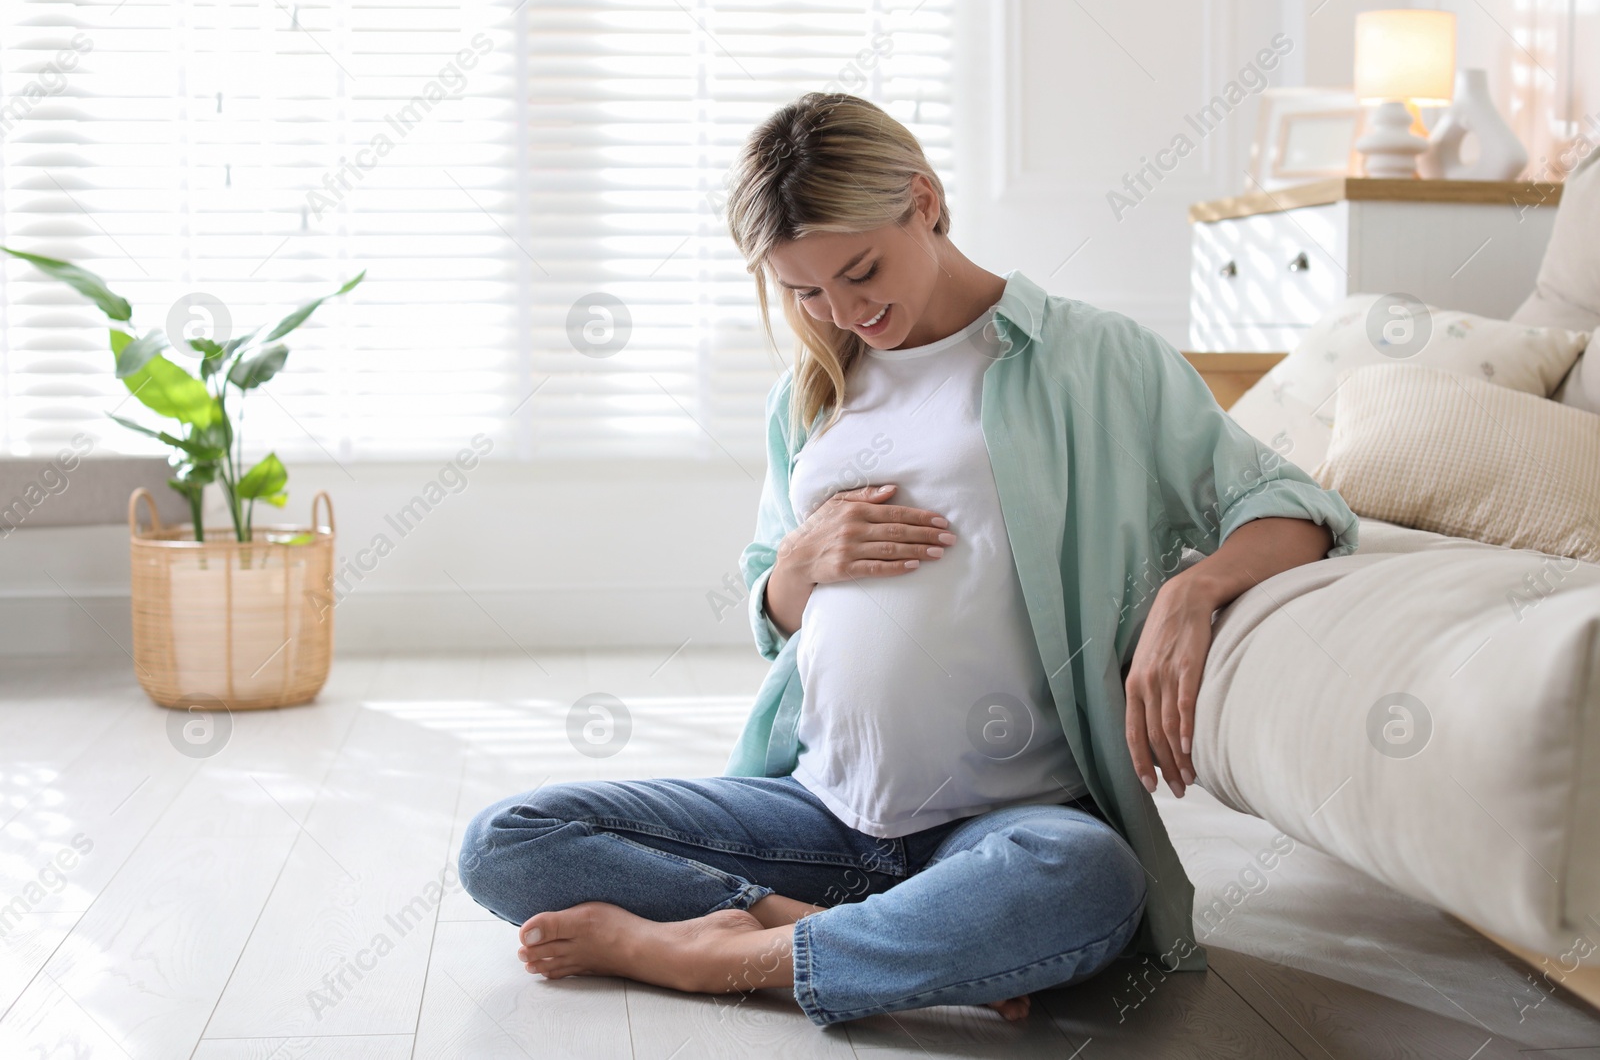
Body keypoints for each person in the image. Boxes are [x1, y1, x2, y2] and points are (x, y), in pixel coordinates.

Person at [459, 92, 1359, 1028]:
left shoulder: (1093, 358)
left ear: (923, 201)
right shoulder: (810, 392)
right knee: (508, 841)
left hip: (1003, 820)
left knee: (1087, 880)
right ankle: (821, 933)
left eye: (860, 271)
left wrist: (1194, 588)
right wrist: (801, 564)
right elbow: (772, 608)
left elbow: (1292, 504)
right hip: (817, 808)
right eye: (804, 291)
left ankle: (699, 952)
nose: (843, 311)